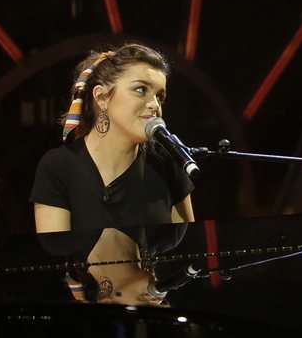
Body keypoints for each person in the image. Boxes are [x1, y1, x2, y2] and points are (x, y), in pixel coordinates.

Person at [31, 43, 195, 233]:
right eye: (141, 90)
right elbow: (55, 254)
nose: (154, 105)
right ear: (101, 97)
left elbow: (190, 251)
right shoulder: (58, 167)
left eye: (160, 96)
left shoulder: (169, 162)